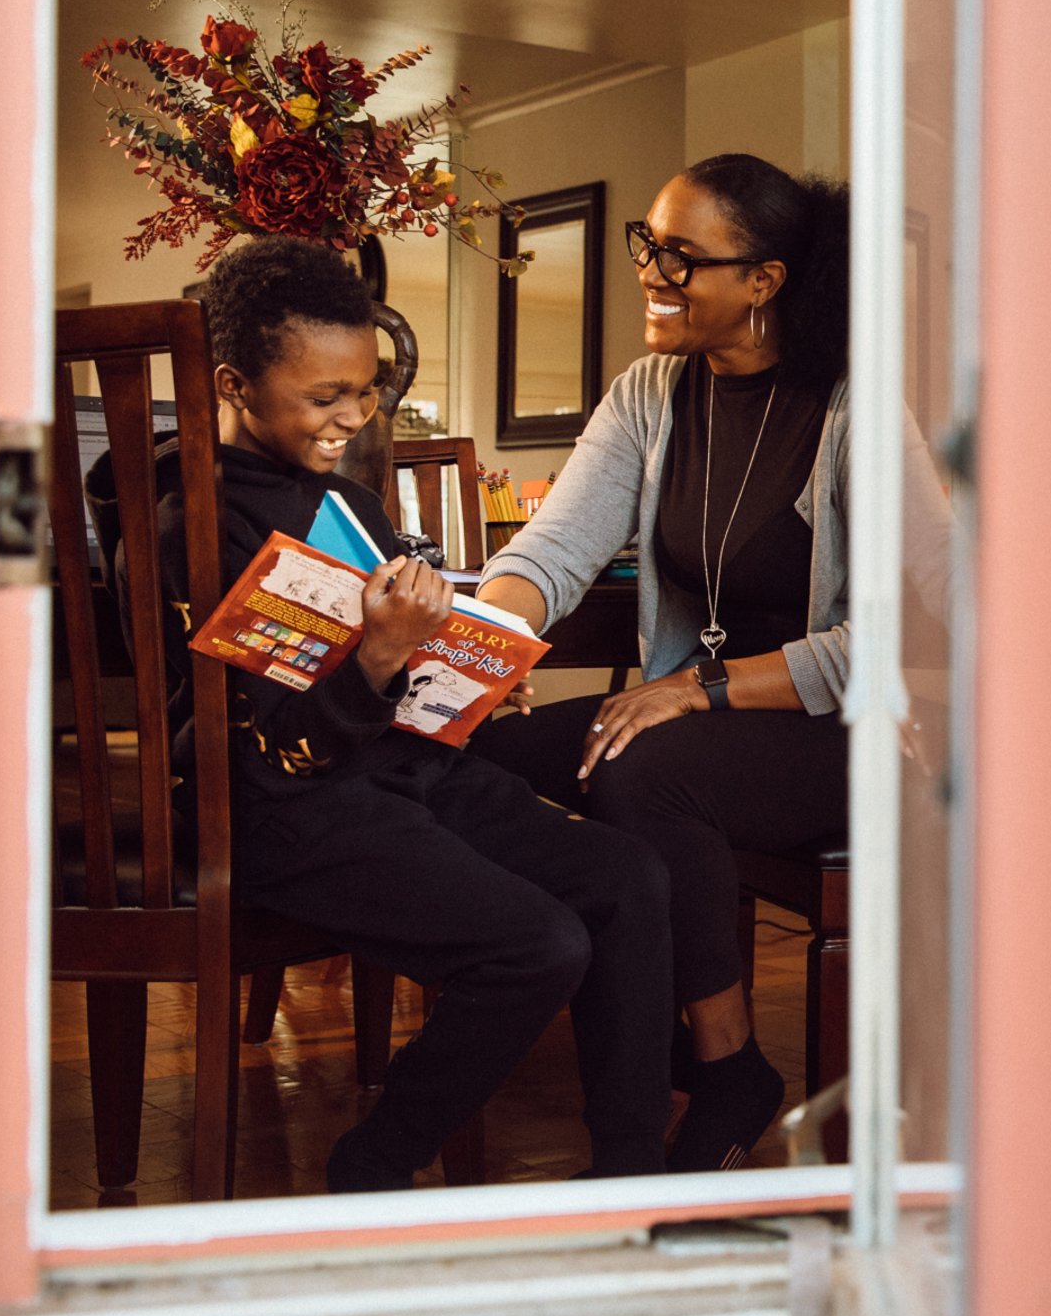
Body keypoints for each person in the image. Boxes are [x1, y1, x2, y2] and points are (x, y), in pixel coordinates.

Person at [116, 237, 674, 1191]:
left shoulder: (354, 508)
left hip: (403, 774)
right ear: (234, 385)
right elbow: (273, 751)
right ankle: (373, 1165)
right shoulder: (191, 526)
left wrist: (467, 678)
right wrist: (379, 655)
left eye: (365, 391)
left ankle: (631, 1169)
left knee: (627, 876)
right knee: (537, 946)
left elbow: (397, 690)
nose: (352, 416)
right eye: (324, 395)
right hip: (282, 807)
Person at [471, 153, 950, 1171]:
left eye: (682, 257)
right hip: (698, 725)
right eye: (648, 246)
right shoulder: (650, 395)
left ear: (763, 280)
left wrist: (697, 687)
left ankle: (724, 1066)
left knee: (642, 771)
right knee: (487, 755)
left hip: (841, 732)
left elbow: (912, 631)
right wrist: (478, 647)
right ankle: (637, 1083)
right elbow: (551, 553)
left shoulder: (855, 410)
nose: (652, 273)